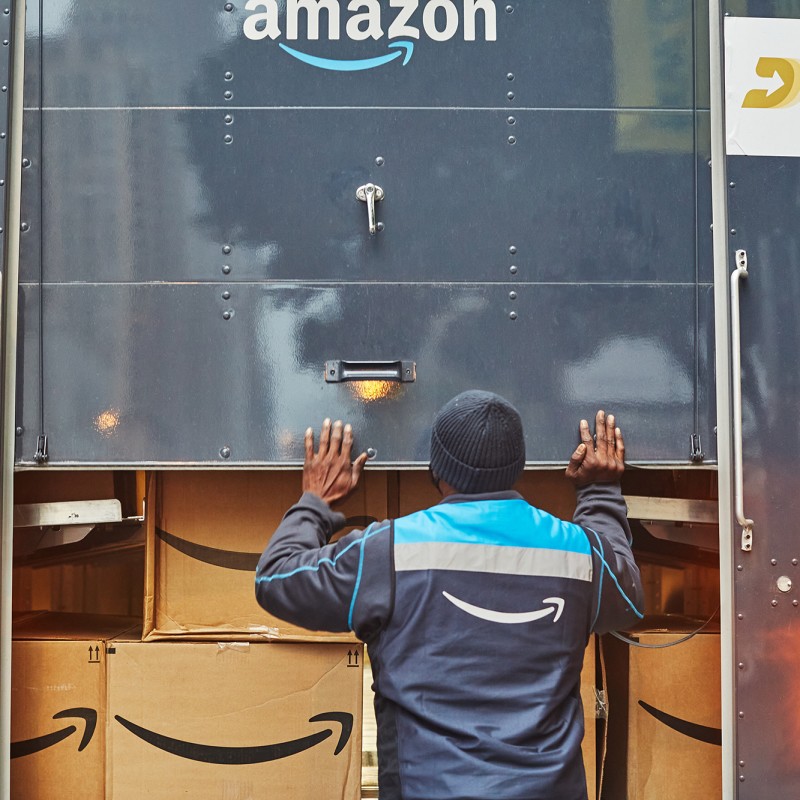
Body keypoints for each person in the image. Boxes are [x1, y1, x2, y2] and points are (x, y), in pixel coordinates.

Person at [255, 390, 643, 800]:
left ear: (436, 467)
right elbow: (629, 600)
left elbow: (276, 580)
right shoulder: (576, 552)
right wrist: (600, 491)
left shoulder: (390, 552)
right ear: (519, 467)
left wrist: (315, 502)